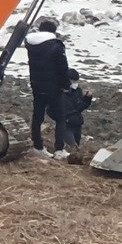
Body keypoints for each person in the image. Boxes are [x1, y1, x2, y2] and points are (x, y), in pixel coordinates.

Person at [25, 20, 70, 160]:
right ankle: (59, 150)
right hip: (53, 87)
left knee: (37, 116)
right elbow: (62, 68)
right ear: (53, 31)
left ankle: (38, 146)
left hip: (36, 84)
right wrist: (66, 85)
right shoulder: (56, 46)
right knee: (61, 118)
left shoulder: (30, 44)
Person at [61, 68, 93, 148]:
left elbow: (80, 107)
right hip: (66, 124)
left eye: (75, 81)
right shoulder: (60, 92)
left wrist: (87, 98)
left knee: (77, 146)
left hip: (77, 123)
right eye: (72, 80)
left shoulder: (77, 90)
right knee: (73, 146)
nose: (74, 83)